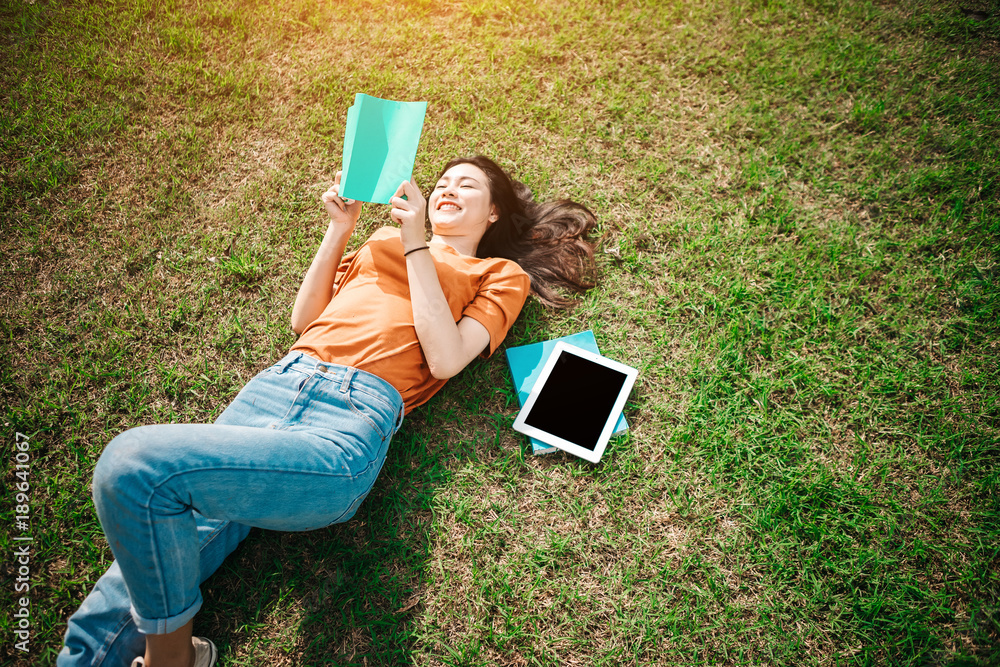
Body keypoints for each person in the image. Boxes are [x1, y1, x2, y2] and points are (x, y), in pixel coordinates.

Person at [57, 155, 597, 667]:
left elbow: (446, 357)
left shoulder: (498, 274)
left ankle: (173, 658)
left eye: (468, 185)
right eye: (443, 183)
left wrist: (417, 249)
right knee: (108, 608)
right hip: (274, 388)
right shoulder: (380, 238)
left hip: (348, 423)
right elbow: (304, 320)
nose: (448, 190)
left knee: (135, 467)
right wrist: (339, 229)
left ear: (494, 211)